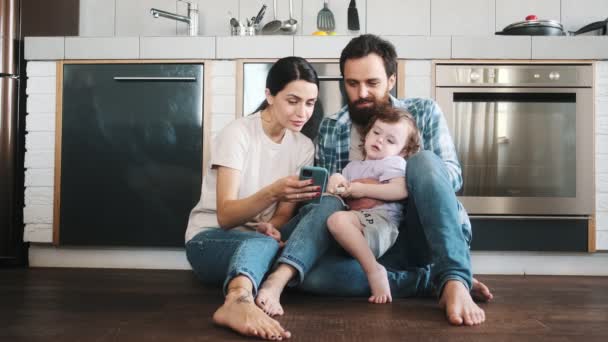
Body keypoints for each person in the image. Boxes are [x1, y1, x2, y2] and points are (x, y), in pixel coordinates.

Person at [255, 35, 493, 327]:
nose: (362, 92)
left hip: (423, 234)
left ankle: (455, 278)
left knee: (424, 161)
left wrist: (390, 182)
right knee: (310, 277)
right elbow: (328, 202)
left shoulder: (423, 112)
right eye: (352, 84)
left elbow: (450, 176)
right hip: (368, 243)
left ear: (391, 80)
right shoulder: (332, 127)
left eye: (372, 83)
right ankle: (427, 280)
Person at [185, 56, 322, 340]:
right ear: (269, 95)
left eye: (310, 103)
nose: (302, 112)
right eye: (293, 100)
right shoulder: (238, 134)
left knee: (306, 240)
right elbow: (226, 216)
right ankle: (237, 299)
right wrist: (272, 191)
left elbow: (284, 214)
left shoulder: (303, 146)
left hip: (260, 244)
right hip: (208, 240)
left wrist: (271, 226)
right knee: (267, 247)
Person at [325, 107, 421, 304]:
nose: (379, 140)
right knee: (330, 219)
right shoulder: (352, 167)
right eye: (376, 132)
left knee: (337, 221)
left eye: (390, 140)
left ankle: (374, 271)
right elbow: (340, 192)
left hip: (381, 222)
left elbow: (399, 190)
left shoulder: (393, 163)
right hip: (356, 227)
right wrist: (335, 180)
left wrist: (362, 189)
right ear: (367, 134)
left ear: (402, 151)